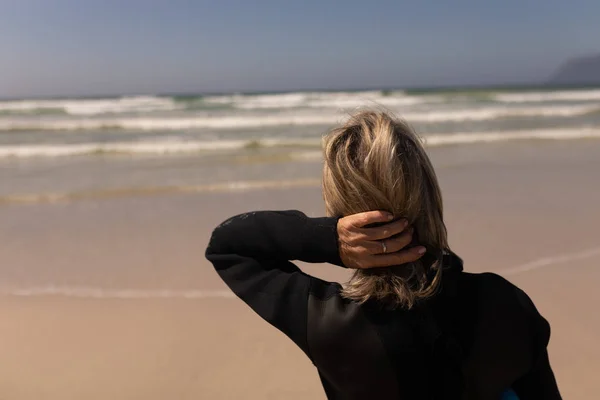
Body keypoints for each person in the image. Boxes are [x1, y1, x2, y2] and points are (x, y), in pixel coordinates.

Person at [205, 110, 562, 399]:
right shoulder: (506, 303)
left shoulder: (329, 324)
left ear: (343, 211)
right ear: (428, 194)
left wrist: (328, 239)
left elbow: (228, 244)